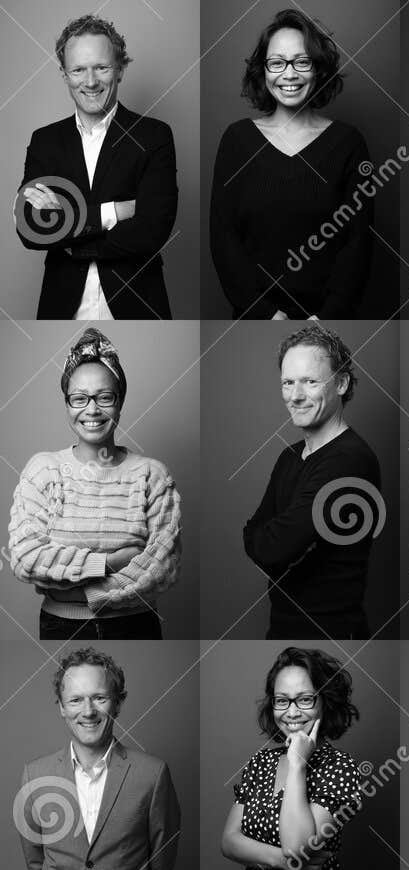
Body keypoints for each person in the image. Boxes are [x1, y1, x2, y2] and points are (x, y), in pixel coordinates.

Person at [7, 328, 181, 639]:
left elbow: (162, 567)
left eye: (104, 397)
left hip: (136, 627)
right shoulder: (44, 470)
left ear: (120, 401)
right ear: (67, 404)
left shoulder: (152, 475)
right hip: (60, 627)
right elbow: (26, 559)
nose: (92, 409)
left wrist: (83, 588)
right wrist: (112, 561)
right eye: (79, 398)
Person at [210, 9, 373, 319]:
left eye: (302, 61)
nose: (289, 74)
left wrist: (327, 318)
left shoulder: (349, 144)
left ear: (318, 69)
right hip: (255, 320)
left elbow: (358, 244)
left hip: (329, 321)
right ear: (263, 70)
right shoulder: (237, 141)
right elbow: (224, 239)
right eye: (277, 63)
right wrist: (265, 313)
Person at [17, 648, 181, 870]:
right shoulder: (35, 774)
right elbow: (34, 858)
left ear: (118, 703)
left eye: (99, 698)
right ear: (61, 708)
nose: (88, 710)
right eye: (76, 700)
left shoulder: (153, 773)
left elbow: (161, 858)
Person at [16, 14, 177, 319]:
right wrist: (115, 211)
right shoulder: (45, 141)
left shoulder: (154, 136)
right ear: (64, 74)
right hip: (60, 309)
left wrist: (69, 233)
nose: (90, 82)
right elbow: (32, 229)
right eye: (78, 70)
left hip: (138, 307)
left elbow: (152, 230)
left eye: (101, 68)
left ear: (120, 70)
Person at [221, 646, 366, 870]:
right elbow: (229, 841)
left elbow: (298, 847)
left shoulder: (341, 767)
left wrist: (298, 763)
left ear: (325, 701)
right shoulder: (260, 762)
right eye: (282, 700)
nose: (292, 712)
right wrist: (282, 860)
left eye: (305, 699)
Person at [242, 324, 382, 639]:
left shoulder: (349, 460)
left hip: (331, 633)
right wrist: (266, 542)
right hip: (281, 626)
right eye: (288, 382)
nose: (296, 396)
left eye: (310, 381)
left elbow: (271, 549)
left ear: (342, 383)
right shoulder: (290, 456)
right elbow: (254, 535)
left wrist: (267, 543)